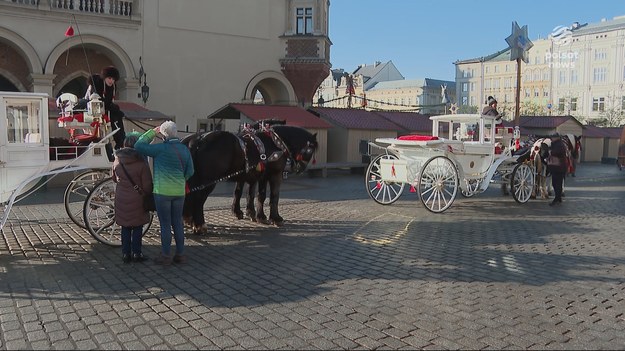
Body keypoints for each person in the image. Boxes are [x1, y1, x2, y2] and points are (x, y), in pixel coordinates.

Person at [135, 121, 194, 265]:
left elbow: (138, 146)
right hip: (179, 193)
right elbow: (191, 171)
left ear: (164, 135)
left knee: (165, 224)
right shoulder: (185, 150)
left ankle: (166, 255)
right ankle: (180, 255)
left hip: (162, 193)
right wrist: (181, 180)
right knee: (178, 223)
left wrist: (152, 132)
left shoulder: (159, 149)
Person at [111, 132, 153, 263]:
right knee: (137, 227)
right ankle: (136, 253)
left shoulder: (117, 160)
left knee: (125, 227)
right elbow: (147, 186)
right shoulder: (141, 162)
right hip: (137, 199)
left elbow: (113, 178)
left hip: (121, 198)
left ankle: (125, 254)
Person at [85, 66, 126, 149]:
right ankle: (116, 143)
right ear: (105, 78)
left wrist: (113, 107)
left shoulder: (113, 87)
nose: (111, 81)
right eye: (110, 78)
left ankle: (120, 142)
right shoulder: (96, 84)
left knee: (117, 117)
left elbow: (109, 101)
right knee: (114, 116)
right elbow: (93, 100)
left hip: (106, 109)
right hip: (93, 109)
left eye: (113, 79)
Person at [547, 133, 568, 206]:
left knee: (556, 183)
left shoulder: (559, 145)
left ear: (556, 138)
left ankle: (557, 198)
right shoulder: (557, 144)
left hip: (559, 167)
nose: (551, 139)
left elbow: (555, 152)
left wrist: (549, 151)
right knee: (556, 183)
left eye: (552, 137)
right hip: (558, 167)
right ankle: (558, 198)